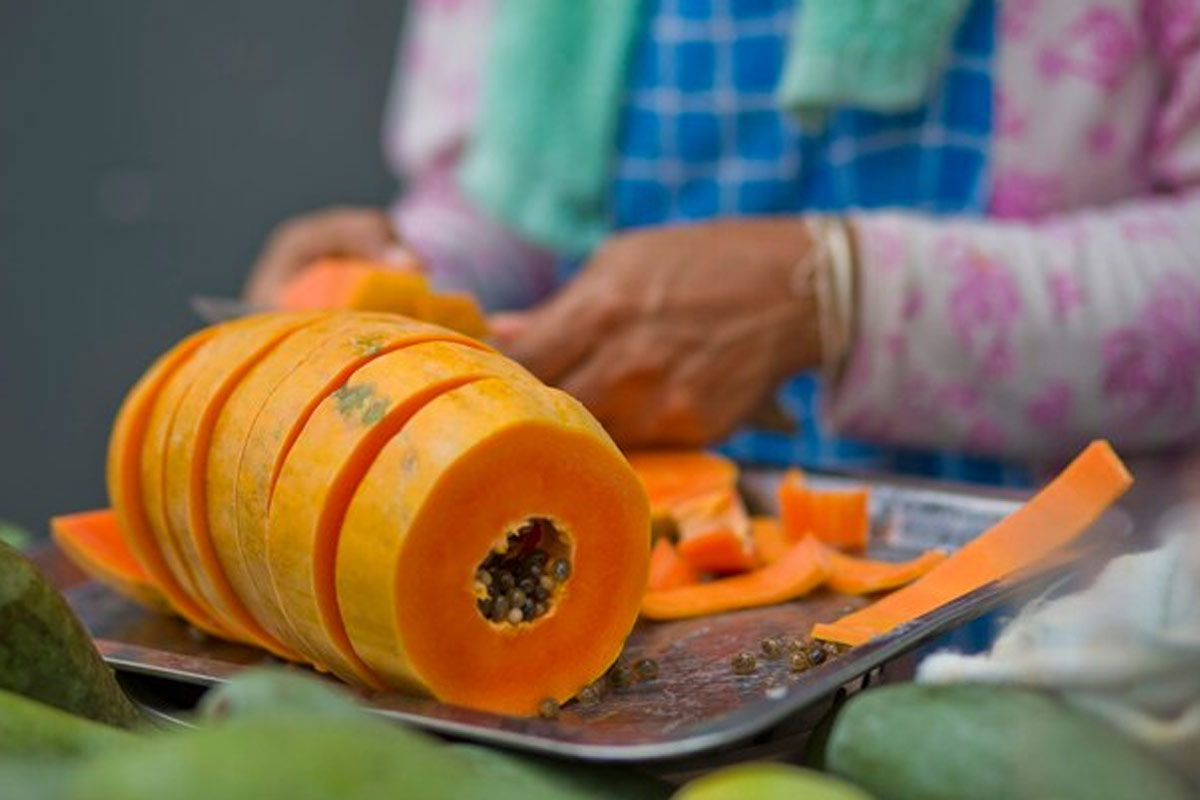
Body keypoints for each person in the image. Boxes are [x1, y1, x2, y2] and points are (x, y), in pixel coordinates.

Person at [247, 0, 1200, 484]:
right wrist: (402, 280)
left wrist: (845, 294)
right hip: (627, 619)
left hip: (1078, 642)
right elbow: (513, 213)